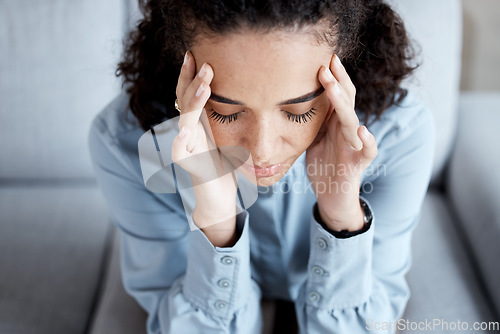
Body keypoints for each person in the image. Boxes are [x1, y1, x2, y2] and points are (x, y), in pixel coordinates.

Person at [88, 0, 435, 333]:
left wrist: (342, 216)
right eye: (227, 112)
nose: (262, 151)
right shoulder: (125, 145)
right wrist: (217, 225)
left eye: (299, 112)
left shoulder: (397, 135)